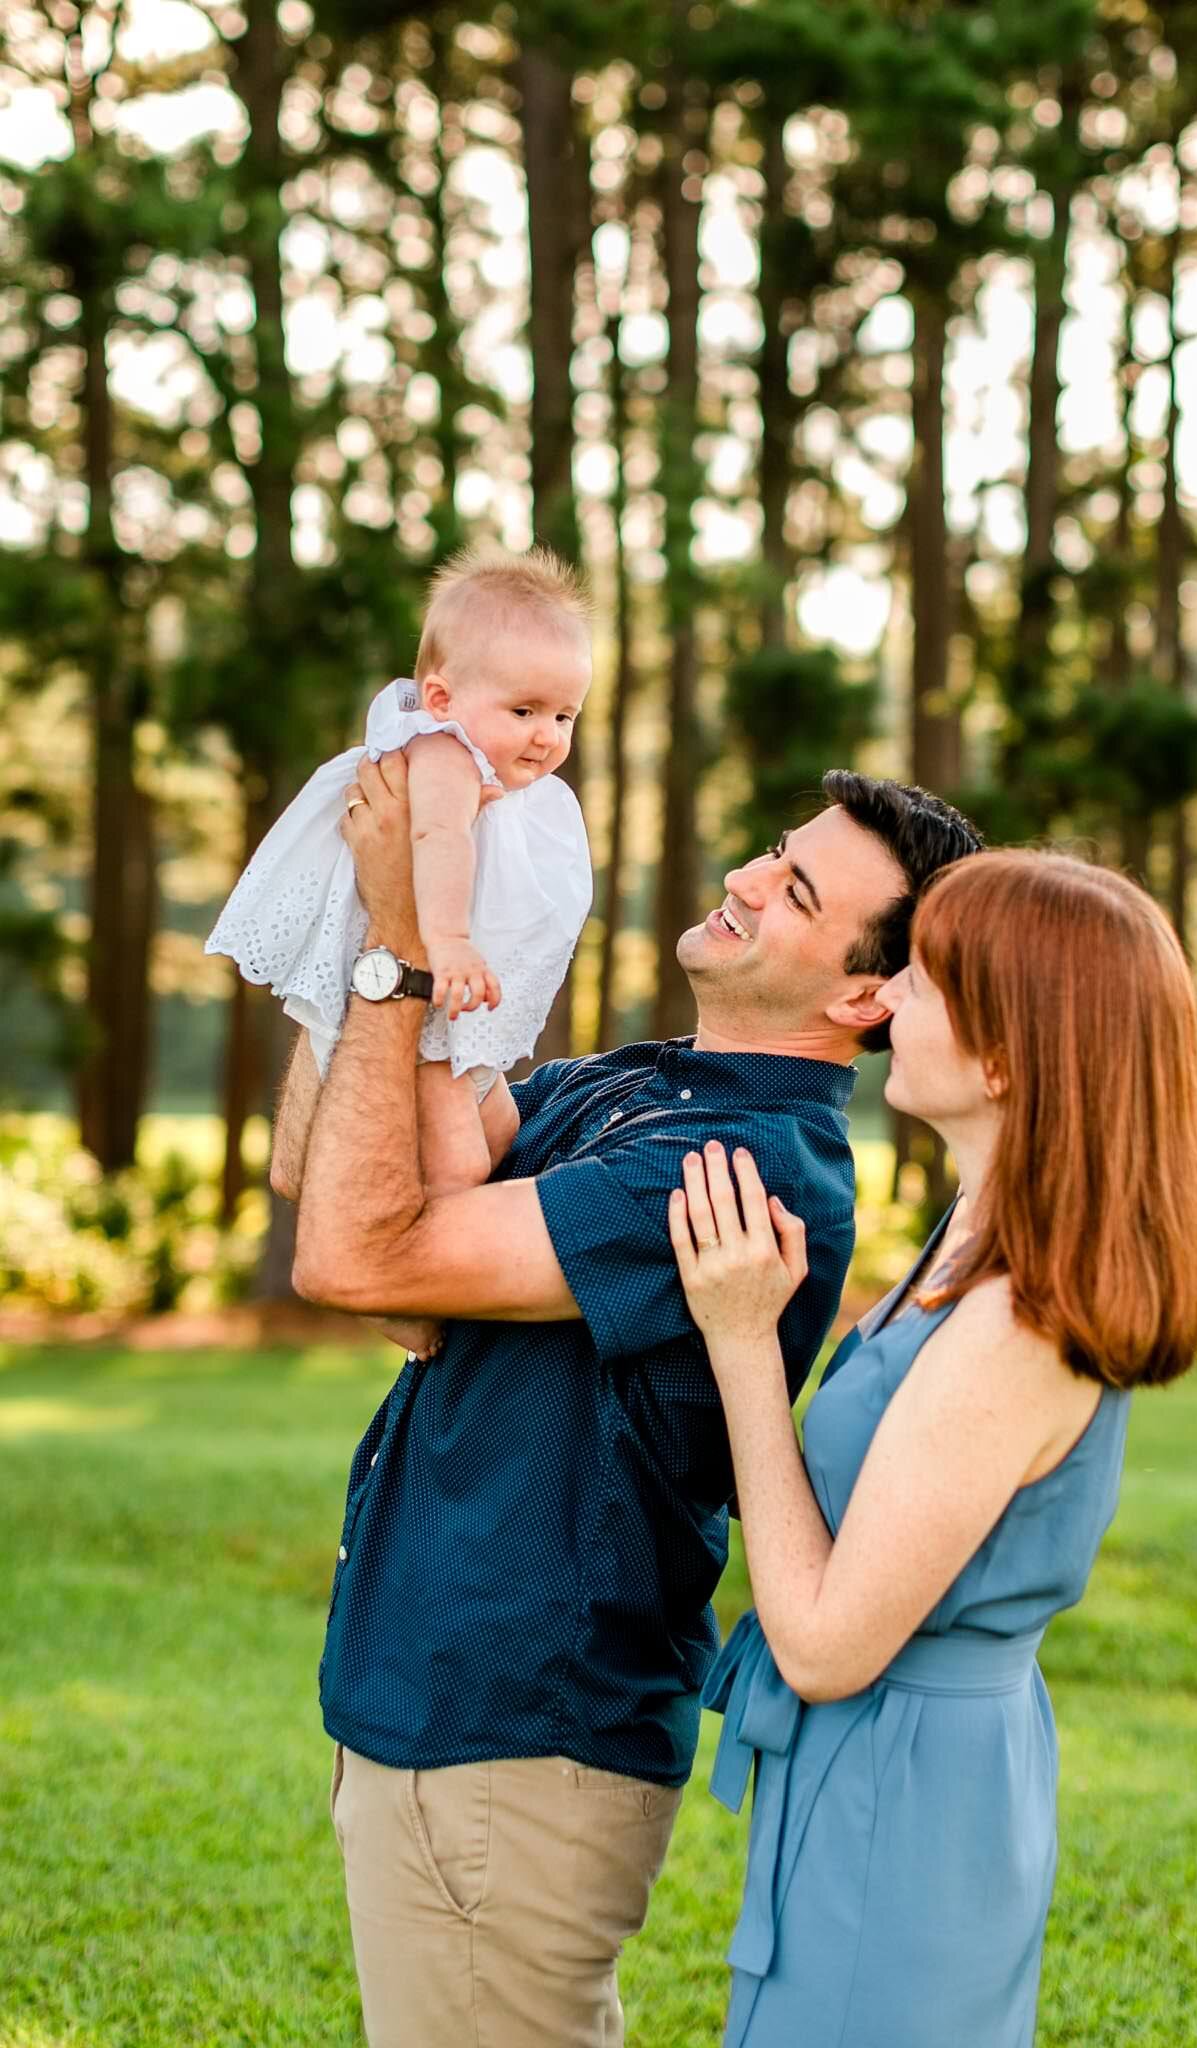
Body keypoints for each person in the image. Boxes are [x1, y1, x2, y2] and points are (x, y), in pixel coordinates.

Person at [279, 759, 982, 2048]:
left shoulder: (737, 1165)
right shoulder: (644, 1084)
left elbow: (355, 1254)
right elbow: (328, 1184)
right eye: (775, 849)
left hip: (513, 1738)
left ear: (863, 991)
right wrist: (403, 926)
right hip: (445, 1713)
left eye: (796, 887)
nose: (746, 877)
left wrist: (397, 946)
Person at [668, 850, 1197, 2048]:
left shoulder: (1016, 1322)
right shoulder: (969, 1240)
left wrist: (742, 1343)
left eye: (923, 980)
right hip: (883, 1772)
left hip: (907, 1802)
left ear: (1007, 1057)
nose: (890, 998)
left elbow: (819, 1644)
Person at [207, 544, 594, 1355]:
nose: (546, 736)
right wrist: (446, 941)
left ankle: (384, 1258)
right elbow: (435, 838)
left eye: (564, 716)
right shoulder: (443, 754)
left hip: (441, 993)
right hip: (422, 982)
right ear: (443, 697)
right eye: (523, 711)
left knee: (492, 1138)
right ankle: (395, 1289)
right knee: (456, 1162)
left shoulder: (503, 776)